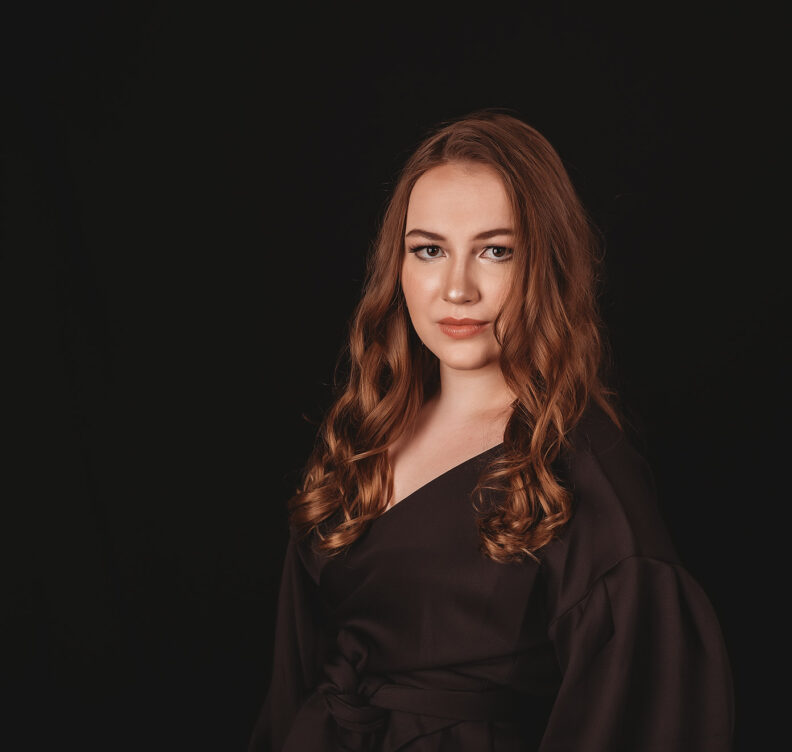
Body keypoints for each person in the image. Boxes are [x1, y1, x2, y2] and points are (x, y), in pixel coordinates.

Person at [249, 110, 734, 751]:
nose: (457, 288)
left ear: (546, 265)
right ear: (397, 266)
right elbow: (293, 680)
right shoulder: (359, 437)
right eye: (429, 250)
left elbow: (643, 713)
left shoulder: (579, 465)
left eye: (495, 251)